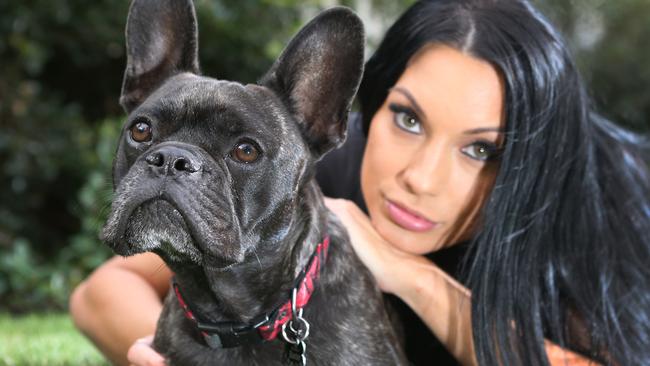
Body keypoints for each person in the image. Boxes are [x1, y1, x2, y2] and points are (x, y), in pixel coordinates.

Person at [70, 0, 650, 365]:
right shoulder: (328, 178)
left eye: (481, 149)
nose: (418, 177)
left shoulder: (598, 215)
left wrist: (414, 279)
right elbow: (100, 295)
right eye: (408, 118)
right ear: (355, 114)